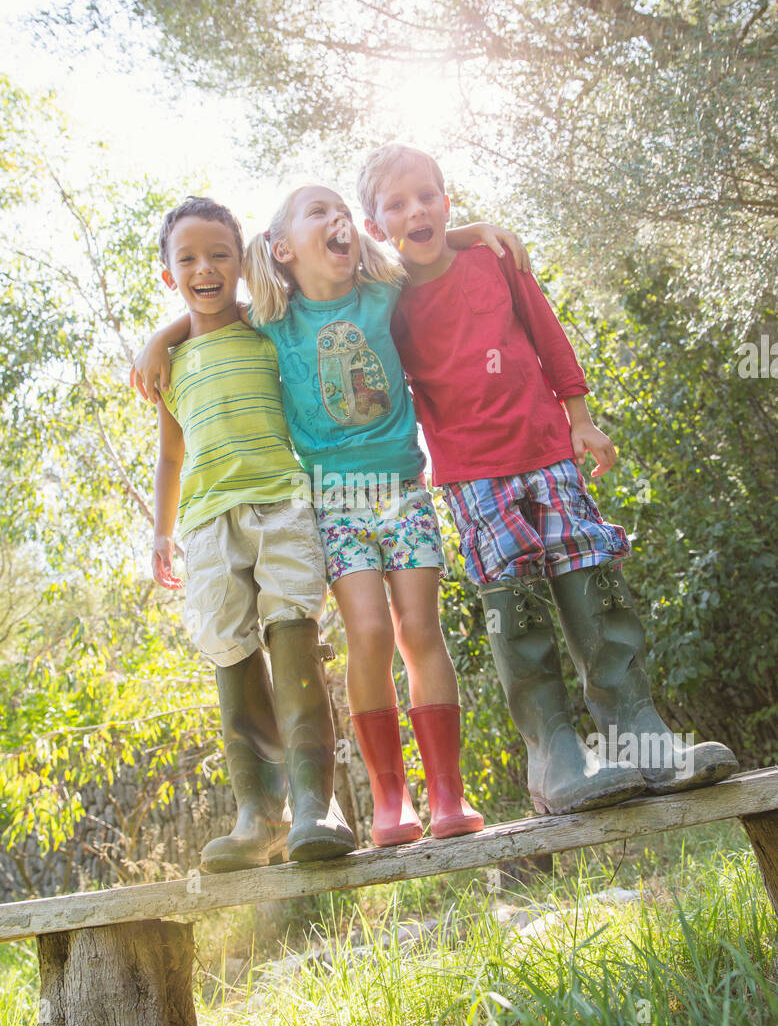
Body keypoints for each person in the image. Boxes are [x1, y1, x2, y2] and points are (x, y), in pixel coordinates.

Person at [135, 185, 527, 846]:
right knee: (368, 632)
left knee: (419, 631)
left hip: (399, 488)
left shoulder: (369, 297)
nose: (336, 219)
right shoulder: (270, 323)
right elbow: (207, 319)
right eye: (318, 212)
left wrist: (470, 230)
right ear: (281, 249)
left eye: (340, 210)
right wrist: (159, 335)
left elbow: (418, 248)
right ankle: (386, 803)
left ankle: (446, 797)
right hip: (330, 500)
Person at [358, 142, 737, 816]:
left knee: (594, 579)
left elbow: (548, 334)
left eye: (428, 196)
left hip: (549, 452)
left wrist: (581, 417)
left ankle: (637, 738)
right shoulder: (383, 301)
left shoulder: (496, 261)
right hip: (474, 478)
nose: (416, 210)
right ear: (375, 224)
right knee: (518, 607)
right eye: (396, 204)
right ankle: (553, 754)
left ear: (447, 201)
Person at [149, 195, 355, 870]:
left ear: (243, 263)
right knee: (229, 652)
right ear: (168, 273)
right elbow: (171, 456)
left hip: (279, 505)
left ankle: (314, 804)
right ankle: (257, 813)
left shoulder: (268, 330)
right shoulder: (171, 366)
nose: (204, 268)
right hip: (206, 524)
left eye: (219, 255)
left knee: (294, 637)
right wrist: (160, 531)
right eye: (188, 259)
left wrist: (164, 331)